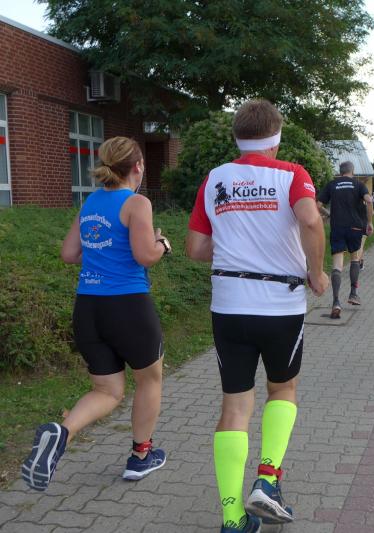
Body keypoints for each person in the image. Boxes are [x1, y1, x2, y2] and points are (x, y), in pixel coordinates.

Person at [186, 99, 329, 532]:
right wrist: (317, 272)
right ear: (276, 138)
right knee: (282, 388)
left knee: (234, 404)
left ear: (237, 137)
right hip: (280, 303)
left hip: (229, 305)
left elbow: (195, 248)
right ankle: (267, 479)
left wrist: (235, 239)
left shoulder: (215, 178)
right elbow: (310, 222)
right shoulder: (292, 174)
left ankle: (232, 518)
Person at [22, 137, 170, 492]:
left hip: (88, 307)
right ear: (138, 166)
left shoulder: (91, 202)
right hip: (128, 305)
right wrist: (162, 244)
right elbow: (145, 255)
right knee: (149, 380)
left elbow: (69, 253)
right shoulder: (137, 202)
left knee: (107, 389)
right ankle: (141, 456)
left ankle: (62, 433)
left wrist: (101, 255)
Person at [317, 161, 374, 317]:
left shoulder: (332, 184)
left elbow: (318, 205)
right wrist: (369, 222)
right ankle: (353, 293)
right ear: (352, 171)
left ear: (340, 171)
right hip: (355, 227)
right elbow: (369, 200)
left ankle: (336, 302)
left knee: (337, 265)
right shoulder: (358, 184)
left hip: (338, 227)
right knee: (355, 258)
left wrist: (328, 214)